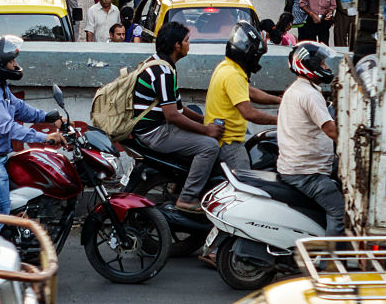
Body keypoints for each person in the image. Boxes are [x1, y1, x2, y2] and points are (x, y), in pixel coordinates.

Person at [0, 36, 65, 231]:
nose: (15, 64)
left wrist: (46, 116)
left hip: (0, 155)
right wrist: (44, 138)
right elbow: (7, 127)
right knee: (0, 207)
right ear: (0, 64)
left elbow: (18, 107)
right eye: (11, 61)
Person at [131, 22, 222, 211]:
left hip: (157, 127)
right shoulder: (163, 72)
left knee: (196, 112)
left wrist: (206, 121)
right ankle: (187, 197)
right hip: (155, 132)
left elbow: (179, 108)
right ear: (176, 45)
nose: (189, 44)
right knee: (209, 147)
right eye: (187, 40)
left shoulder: (161, 64)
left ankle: (178, 182)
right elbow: (172, 115)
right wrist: (207, 131)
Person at [277, 41, 343, 235]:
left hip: (299, 165)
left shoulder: (299, 89)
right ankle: (329, 264)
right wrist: (356, 146)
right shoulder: (309, 94)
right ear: (310, 65)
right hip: (307, 172)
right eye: (322, 64)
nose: (326, 68)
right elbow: (331, 130)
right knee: (339, 212)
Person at [204, 21, 280, 170]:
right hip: (228, 143)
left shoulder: (226, 65)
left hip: (223, 138)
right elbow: (249, 113)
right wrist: (281, 121)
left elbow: (249, 92)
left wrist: (279, 100)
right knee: (245, 183)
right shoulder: (234, 74)